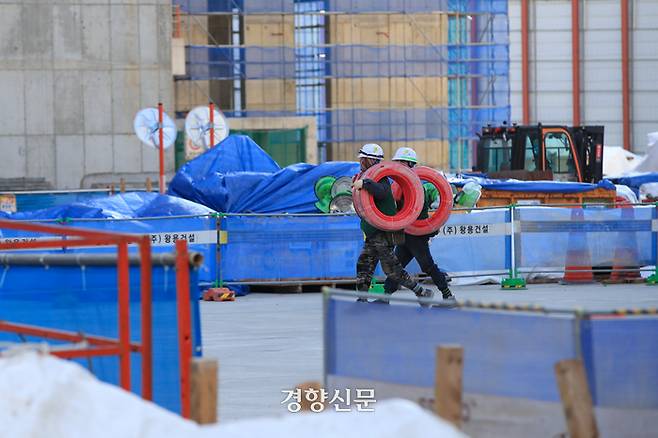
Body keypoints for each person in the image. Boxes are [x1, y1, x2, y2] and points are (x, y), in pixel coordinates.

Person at [352, 143, 434, 305]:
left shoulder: (380, 178)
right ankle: (362, 298)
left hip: (384, 232)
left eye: (363, 159)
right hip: (373, 233)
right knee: (364, 265)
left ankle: (423, 292)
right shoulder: (365, 177)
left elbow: (382, 192)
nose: (361, 162)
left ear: (371, 161)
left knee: (392, 269)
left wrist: (366, 184)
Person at [382, 147, 457, 305]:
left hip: (416, 234)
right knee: (396, 266)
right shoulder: (399, 185)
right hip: (406, 233)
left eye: (401, 162)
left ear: (410, 164)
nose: (398, 165)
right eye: (397, 162)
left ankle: (448, 296)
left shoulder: (415, 187)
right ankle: (386, 297)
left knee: (427, 266)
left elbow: (420, 213)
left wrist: (426, 230)